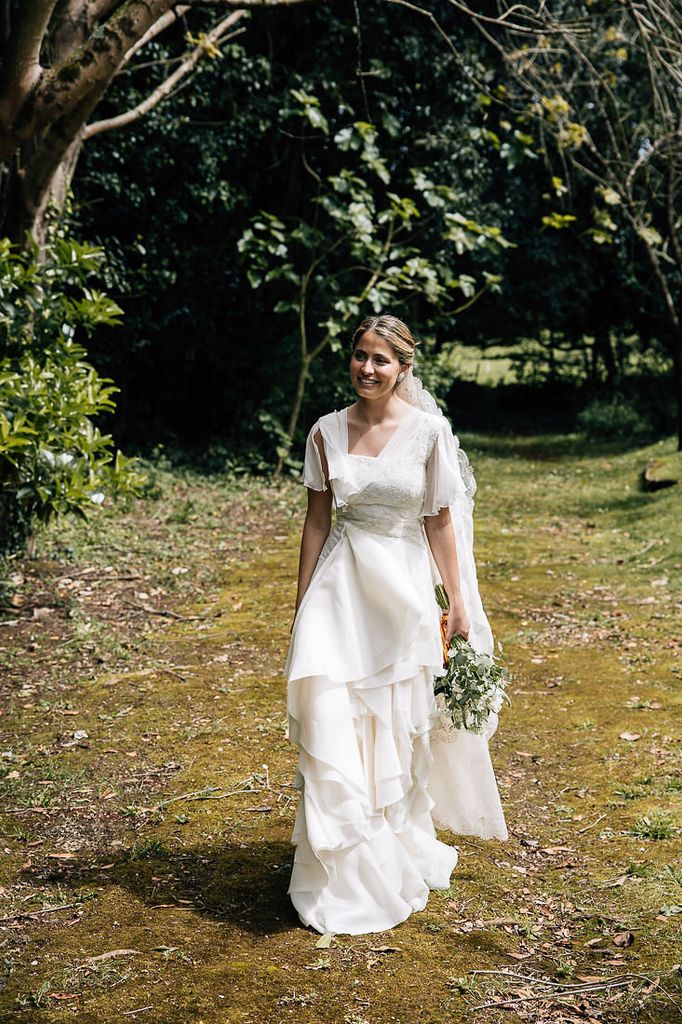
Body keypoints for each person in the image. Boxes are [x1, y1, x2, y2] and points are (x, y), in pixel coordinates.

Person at [284, 314, 507, 936]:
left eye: (381, 359)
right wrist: (303, 602)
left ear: (404, 368)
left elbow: (439, 521)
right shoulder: (326, 431)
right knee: (334, 707)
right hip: (342, 588)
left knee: (395, 722)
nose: (367, 368)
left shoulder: (430, 433)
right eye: (359, 356)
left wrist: (457, 604)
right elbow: (316, 520)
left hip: (404, 591)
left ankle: (393, 843)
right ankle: (340, 866)